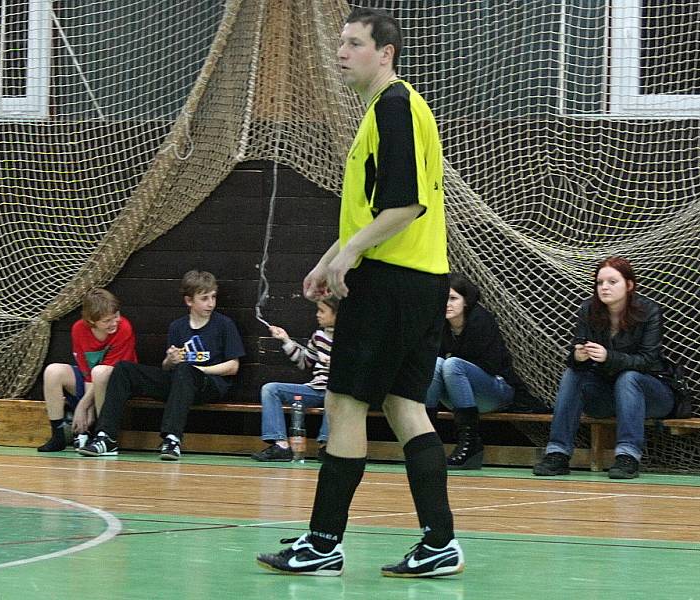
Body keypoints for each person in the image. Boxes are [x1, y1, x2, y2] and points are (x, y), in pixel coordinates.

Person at [257, 8, 463, 578]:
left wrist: (350, 255)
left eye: (354, 43)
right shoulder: (395, 109)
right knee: (404, 406)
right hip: (422, 279)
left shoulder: (394, 107)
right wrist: (331, 257)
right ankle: (439, 543)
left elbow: (406, 204)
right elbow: (377, 211)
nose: (342, 52)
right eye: (341, 43)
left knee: (346, 402)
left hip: (392, 281)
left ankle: (322, 543)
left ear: (385, 52)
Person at [78, 270, 245, 461]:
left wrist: (199, 369)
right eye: (204, 298)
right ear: (189, 301)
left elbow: (233, 366)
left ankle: (172, 439)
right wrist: (169, 361)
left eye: (213, 297)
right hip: (180, 382)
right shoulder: (178, 326)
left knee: (185, 370)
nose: (211, 303)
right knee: (124, 368)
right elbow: (168, 369)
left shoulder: (224, 324)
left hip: (210, 384)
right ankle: (106, 436)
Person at [533, 256, 675, 479]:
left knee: (628, 378)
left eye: (612, 282)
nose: (604, 287)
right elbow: (575, 356)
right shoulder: (588, 310)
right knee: (574, 373)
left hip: (652, 395)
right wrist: (578, 357)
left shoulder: (649, 311)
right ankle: (557, 453)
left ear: (629, 285)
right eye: (600, 283)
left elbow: (648, 361)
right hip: (606, 397)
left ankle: (628, 456)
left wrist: (609, 357)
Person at [425, 273, 522, 470]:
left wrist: (455, 359)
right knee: (435, 363)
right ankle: (427, 443)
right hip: (458, 395)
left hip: (495, 390)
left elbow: (491, 365)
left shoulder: (480, 321)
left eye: (452, 298)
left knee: (451, 364)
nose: (447, 303)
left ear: (466, 301)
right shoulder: (440, 324)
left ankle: (470, 446)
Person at [37, 288, 137, 452]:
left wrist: (82, 407)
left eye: (115, 316)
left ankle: (101, 434)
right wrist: (86, 405)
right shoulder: (78, 329)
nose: (114, 323)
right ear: (91, 321)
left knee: (100, 373)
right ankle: (58, 435)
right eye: (106, 321)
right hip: (91, 380)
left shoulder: (124, 328)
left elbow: (107, 374)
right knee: (52, 371)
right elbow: (86, 372)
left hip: (115, 383)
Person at [251, 299, 337, 462]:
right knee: (270, 389)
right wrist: (285, 340)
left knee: (337, 394)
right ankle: (281, 445)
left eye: (322, 311)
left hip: (337, 389)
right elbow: (304, 362)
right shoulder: (319, 336)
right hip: (315, 388)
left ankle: (328, 447)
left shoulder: (353, 338)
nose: (317, 315)